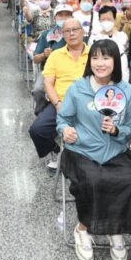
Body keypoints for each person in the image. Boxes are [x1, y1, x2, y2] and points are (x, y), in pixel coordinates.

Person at [57, 39, 131, 260]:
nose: (100, 63)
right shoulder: (78, 88)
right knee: (93, 181)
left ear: (115, 62)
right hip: (81, 150)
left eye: (106, 58)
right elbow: (63, 119)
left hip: (115, 150)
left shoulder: (125, 91)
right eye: (95, 58)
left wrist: (117, 130)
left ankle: (116, 229)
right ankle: (82, 229)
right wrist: (66, 130)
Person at [30, 18, 89, 169]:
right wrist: (57, 103)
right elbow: (48, 83)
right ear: (63, 35)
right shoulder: (56, 55)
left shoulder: (94, 53)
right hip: (61, 103)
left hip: (88, 104)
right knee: (37, 131)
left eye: (75, 29)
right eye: (67, 31)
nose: (72, 33)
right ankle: (58, 151)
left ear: (83, 32)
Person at [89, 6, 128, 82]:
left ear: (114, 19)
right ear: (99, 20)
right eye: (103, 19)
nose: (106, 21)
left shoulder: (122, 36)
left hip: (121, 68)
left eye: (109, 19)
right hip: (102, 70)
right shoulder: (94, 37)